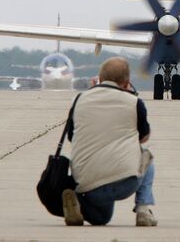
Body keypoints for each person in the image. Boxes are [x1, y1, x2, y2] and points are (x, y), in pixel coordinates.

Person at [61, 57, 157, 227]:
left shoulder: (80, 99)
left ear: (100, 77)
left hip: (87, 185)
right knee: (146, 154)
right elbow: (144, 137)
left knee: (101, 217)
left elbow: (71, 137)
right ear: (127, 81)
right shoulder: (134, 102)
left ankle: (80, 205)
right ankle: (143, 209)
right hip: (125, 183)